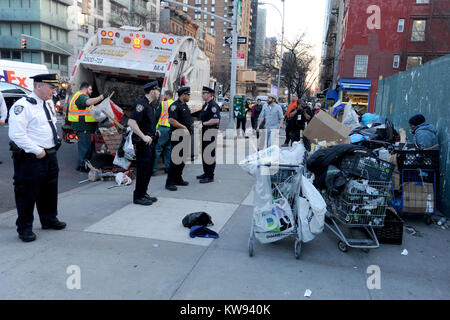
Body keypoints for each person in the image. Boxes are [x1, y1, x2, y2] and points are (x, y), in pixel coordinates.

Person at [8, 73, 66, 242]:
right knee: (27, 193)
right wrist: (36, 150)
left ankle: (49, 219)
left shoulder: (47, 103)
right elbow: (16, 134)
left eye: (55, 88)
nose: (54, 92)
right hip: (31, 157)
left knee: (49, 190)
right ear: (39, 86)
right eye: (51, 88)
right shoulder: (23, 106)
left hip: (49, 154)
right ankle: (25, 228)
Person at [128, 81, 161, 206]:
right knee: (142, 170)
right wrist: (143, 137)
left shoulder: (149, 105)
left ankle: (143, 193)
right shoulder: (140, 104)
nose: (158, 93)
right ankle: (138, 196)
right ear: (152, 91)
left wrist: (154, 131)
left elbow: (145, 123)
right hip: (143, 144)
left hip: (150, 143)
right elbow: (131, 122)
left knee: (147, 170)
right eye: (157, 91)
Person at [68, 82, 105, 172]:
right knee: (85, 148)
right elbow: (88, 102)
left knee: (88, 148)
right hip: (84, 127)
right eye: (90, 89)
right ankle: (82, 166)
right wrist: (101, 97)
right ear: (85, 89)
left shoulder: (80, 96)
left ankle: (85, 165)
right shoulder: (81, 96)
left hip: (86, 127)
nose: (91, 91)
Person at [165, 87, 192, 191]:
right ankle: (170, 182)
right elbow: (171, 120)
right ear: (183, 95)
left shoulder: (185, 106)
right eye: (188, 94)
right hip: (177, 135)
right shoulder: (175, 106)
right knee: (175, 159)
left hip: (185, 136)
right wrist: (183, 127)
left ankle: (178, 178)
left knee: (182, 159)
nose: (189, 97)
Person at [197, 86, 221, 184]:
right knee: (204, 153)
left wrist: (203, 124)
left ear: (210, 94)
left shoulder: (213, 105)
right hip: (205, 131)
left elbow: (216, 119)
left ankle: (210, 175)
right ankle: (206, 172)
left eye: (204, 93)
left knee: (209, 154)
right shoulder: (205, 105)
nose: (202, 95)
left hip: (210, 132)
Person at [153, 90, 174, 175]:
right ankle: (168, 168)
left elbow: (156, 116)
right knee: (168, 149)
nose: (163, 96)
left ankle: (153, 170)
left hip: (163, 128)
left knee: (157, 149)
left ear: (167, 95)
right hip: (171, 129)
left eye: (164, 95)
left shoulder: (163, 104)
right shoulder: (175, 104)